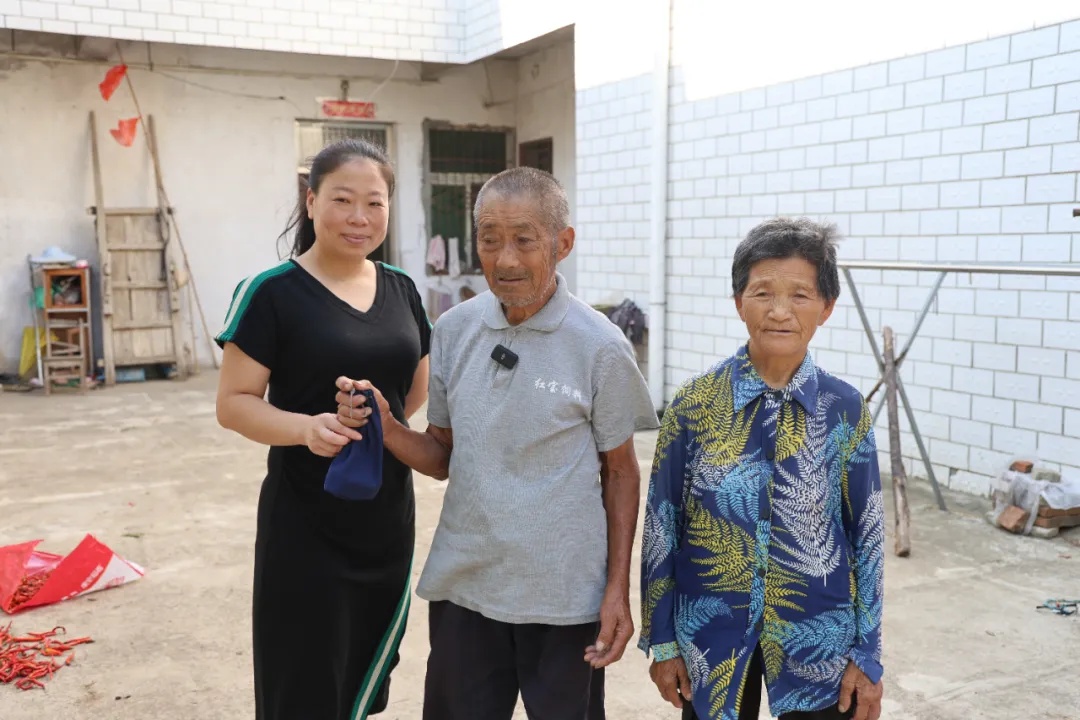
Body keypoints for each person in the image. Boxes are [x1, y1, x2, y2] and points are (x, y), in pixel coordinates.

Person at [335, 166, 659, 720]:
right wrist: (388, 428)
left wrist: (616, 590)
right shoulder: (455, 330)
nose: (505, 259)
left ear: (563, 243)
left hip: (563, 598)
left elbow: (622, 472)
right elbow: (441, 456)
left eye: (524, 240)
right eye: (489, 239)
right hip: (468, 587)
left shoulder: (600, 345)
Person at [215, 138, 431, 720]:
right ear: (311, 202)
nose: (360, 218)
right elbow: (234, 403)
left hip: (386, 520)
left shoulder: (403, 290)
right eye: (342, 199)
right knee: (304, 680)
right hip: (305, 525)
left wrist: (375, 421)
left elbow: (414, 391)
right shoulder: (272, 293)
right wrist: (309, 427)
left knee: (362, 672)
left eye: (375, 202)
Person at [639, 217, 885, 720]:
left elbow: (868, 537)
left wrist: (868, 654)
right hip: (710, 640)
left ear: (827, 307)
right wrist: (662, 641)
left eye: (800, 295)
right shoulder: (694, 405)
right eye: (762, 293)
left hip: (819, 640)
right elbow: (662, 526)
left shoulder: (845, 410)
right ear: (738, 302)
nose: (779, 311)